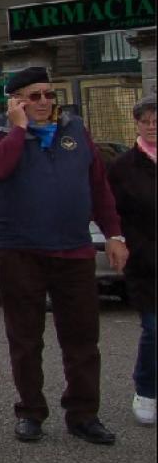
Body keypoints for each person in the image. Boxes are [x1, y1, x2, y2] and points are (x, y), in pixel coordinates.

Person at [0, 65, 128, 444]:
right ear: (16, 101)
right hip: (20, 251)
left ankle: (83, 414)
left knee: (82, 338)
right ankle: (30, 411)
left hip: (73, 250)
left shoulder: (75, 130)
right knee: (26, 338)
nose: (44, 102)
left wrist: (114, 233)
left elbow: (98, 186)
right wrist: (18, 129)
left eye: (49, 94)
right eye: (35, 96)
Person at [106, 93, 155, 427]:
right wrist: (121, 241)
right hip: (146, 262)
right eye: (145, 121)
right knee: (154, 328)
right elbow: (112, 213)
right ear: (136, 124)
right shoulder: (123, 167)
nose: (152, 127)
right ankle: (146, 390)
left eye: (157, 121)